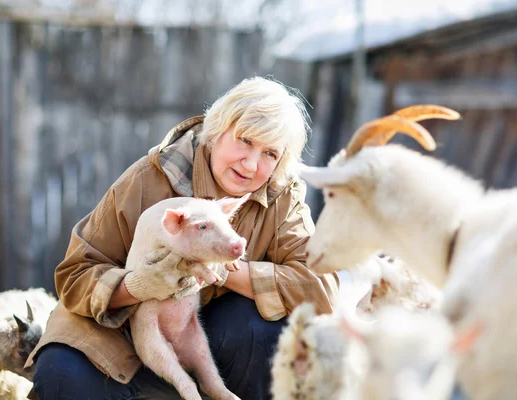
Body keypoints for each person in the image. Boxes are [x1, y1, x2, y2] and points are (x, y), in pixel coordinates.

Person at [27, 76, 340, 400]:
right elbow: (74, 275)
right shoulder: (149, 179)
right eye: (245, 140)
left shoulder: (281, 198)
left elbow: (321, 288)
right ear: (217, 130)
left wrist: (221, 269)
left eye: (270, 154)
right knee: (61, 371)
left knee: (260, 329)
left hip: (207, 340)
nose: (251, 164)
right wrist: (137, 285)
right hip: (121, 337)